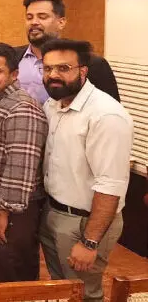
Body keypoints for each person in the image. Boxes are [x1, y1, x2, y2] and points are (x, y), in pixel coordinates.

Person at [38, 39, 133, 302]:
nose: (53, 75)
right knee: (63, 289)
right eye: (47, 68)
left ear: (83, 71)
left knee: (85, 294)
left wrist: (90, 242)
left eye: (63, 68)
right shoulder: (53, 104)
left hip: (84, 222)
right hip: (53, 212)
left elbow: (110, 185)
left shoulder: (106, 116)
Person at [0, 43, 48, 283]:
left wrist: (2, 212)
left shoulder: (21, 109)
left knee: (10, 279)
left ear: (14, 74)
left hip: (9, 213)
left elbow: (19, 168)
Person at [15, 0, 119, 104]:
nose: (34, 22)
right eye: (29, 17)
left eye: (42, 17)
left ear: (61, 22)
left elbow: (110, 106)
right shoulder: (13, 57)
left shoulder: (93, 64)